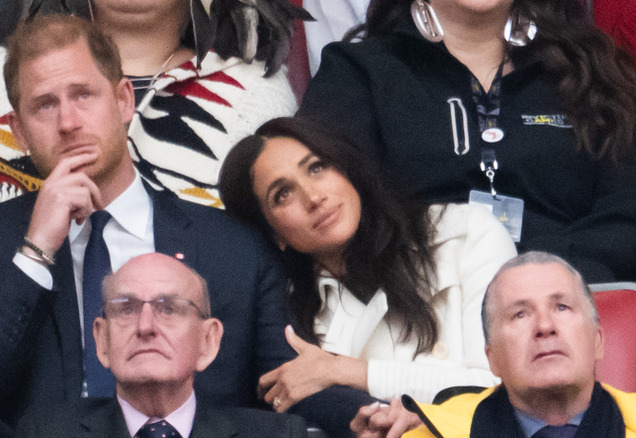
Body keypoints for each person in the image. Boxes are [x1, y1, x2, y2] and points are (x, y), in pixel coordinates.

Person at [0, 14, 369, 437]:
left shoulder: (232, 246)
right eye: (45, 106)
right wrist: (36, 251)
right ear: (18, 131)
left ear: (123, 100)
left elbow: (285, 379)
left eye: (83, 95)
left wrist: (369, 417)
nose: (68, 122)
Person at [297, 0, 636, 283]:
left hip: (574, 299)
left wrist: (537, 271)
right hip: (421, 306)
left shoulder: (594, 71)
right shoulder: (356, 72)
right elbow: (337, 221)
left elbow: (626, 216)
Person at [218, 117, 516, 414]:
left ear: (346, 169)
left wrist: (345, 371)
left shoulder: (466, 233)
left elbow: (505, 387)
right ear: (273, 234)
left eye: (316, 168)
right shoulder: (293, 326)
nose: (313, 197)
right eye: (283, 194)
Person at [17, 253, 309, 437]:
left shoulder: (278, 435)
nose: (145, 327)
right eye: (126, 309)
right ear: (102, 341)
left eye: (169, 309)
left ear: (207, 341)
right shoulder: (46, 432)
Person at [353, 251, 636, 437]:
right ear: (492, 358)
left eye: (562, 307)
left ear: (597, 340)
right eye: (520, 314)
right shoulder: (433, 433)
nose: (544, 326)